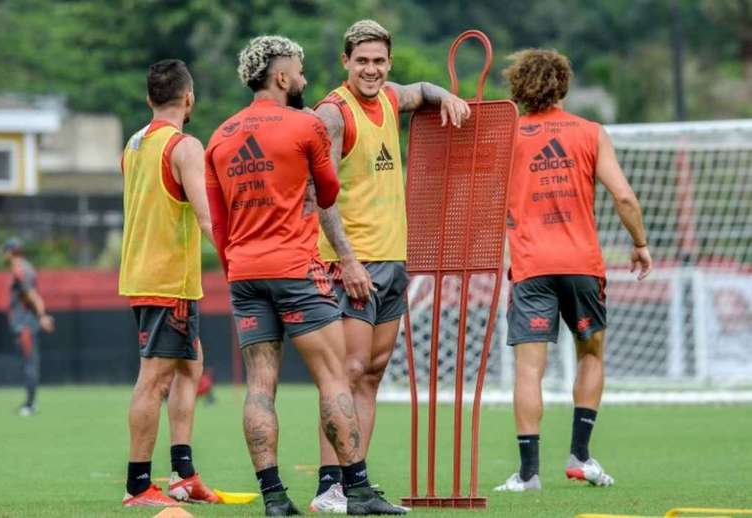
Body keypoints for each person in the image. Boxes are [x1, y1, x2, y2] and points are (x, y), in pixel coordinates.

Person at [205, 35, 406, 516]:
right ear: (280, 77)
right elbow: (330, 190)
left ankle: (274, 498)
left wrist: (237, 266)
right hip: (296, 269)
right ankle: (356, 490)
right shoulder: (305, 124)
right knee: (336, 377)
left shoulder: (220, 136)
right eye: (298, 71)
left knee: (260, 385)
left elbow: (216, 221)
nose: (304, 78)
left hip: (244, 274)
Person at [310, 19, 471, 512]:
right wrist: (348, 260)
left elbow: (420, 90)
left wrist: (447, 96)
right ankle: (328, 486)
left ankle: (355, 484)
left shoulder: (390, 98)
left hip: (393, 258)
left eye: (379, 61)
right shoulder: (332, 114)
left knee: (374, 373)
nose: (372, 70)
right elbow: (322, 195)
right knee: (349, 370)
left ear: (389, 62)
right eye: (362, 61)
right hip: (350, 262)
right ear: (345, 63)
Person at [494, 49, 652, 492]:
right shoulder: (590, 132)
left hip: (530, 267)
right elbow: (624, 197)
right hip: (582, 265)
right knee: (591, 355)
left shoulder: (506, 136)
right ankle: (580, 457)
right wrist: (639, 244)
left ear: (518, 86)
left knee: (529, 370)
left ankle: (528, 475)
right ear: (563, 84)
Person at [119, 59, 219, 506]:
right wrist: (244, 259)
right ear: (189, 98)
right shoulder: (184, 146)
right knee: (155, 379)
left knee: (190, 367)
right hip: (167, 281)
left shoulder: (134, 144)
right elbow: (205, 216)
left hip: (146, 274)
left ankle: (184, 474)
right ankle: (138, 485)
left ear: (149, 99)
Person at [3, 238, 54, 416]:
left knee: (30, 364)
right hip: (23, 323)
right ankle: (29, 402)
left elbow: (32, 295)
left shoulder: (20, 269)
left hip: (25, 325)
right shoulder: (23, 268)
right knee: (28, 363)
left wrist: (42, 315)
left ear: (9, 252)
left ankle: (30, 405)